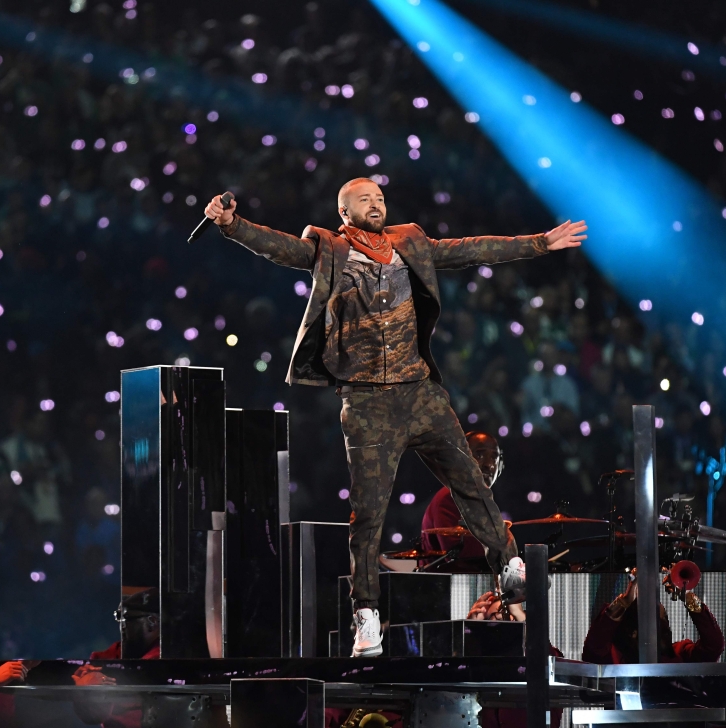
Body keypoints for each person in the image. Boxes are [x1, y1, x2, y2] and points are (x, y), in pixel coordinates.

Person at [204, 180, 586, 657]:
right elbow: (278, 247)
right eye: (365, 199)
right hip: (367, 403)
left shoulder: (411, 243)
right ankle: (366, 613)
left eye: (380, 198)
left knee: (470, 479)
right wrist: (230, 224)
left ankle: (508, 564)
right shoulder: (330, 248)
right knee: (369, 514)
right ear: (344, 211)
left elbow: (471, 250)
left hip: (420, 392)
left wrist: (540, 243)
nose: (377, 204)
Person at [581, 570, 724, 664]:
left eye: (665, 620)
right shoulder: (616, 658)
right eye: (659, 620)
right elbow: (595, 646)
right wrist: (624, 601)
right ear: (634, 632)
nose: (666, 627)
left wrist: (687, 597)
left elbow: (713, 646)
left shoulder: (681, 654)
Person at [466, 592, 562, 728]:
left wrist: (520, 616)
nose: (496, 626)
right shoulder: (483, 664)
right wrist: (471, 630)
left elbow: (545, 660)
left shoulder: (544, 655)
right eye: (488, 622)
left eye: (502, 618)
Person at [71, 589, 161, 728]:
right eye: (118, 617)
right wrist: (84, 687)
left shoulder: (165, 655)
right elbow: (93, 716)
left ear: (152, 622)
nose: (121, 626)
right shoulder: (112, 654)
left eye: (126, 618)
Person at [421, 431, 505, 565]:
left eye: (494, 457)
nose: (489, 465)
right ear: (459, 459)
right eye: (479, 454)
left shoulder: (478, 500)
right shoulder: (449, 498)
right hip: (451, 585)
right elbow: (461, 560)